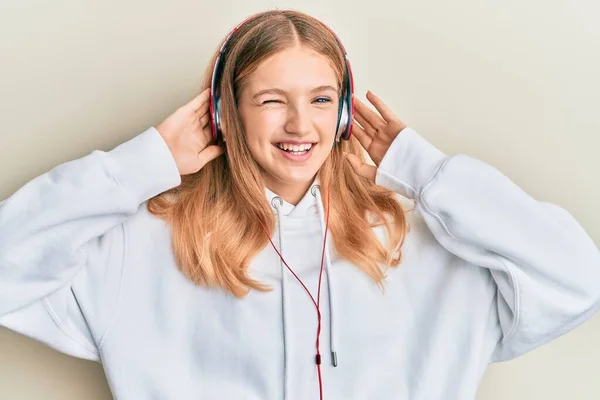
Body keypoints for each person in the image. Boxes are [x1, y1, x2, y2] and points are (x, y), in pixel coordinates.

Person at [1, 9, 599, 400]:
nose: (299, 124)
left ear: (342, 111)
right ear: (224, 112)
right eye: (270, 100)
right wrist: (144, 164)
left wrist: (428, 172)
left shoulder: (422, 239)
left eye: (320, 98)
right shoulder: (143, 244)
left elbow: (579, 279)